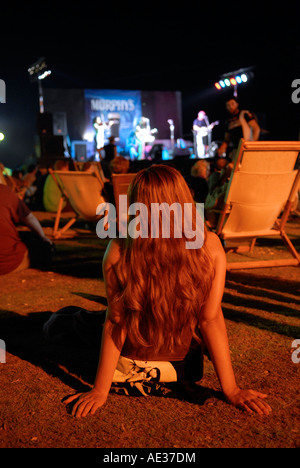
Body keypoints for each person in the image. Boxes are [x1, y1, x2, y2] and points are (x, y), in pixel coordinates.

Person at [61, 164, 271, 418]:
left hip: (131, 356)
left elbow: (117, 320)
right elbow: (210, 318)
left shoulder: (118, 248)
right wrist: (231, 389)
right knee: (80, 319)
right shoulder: (210, 245)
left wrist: (100, 390)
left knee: (65, 323)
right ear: (184, 197)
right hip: (184, 366)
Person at [0, 184, 53, 275]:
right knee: (46, 247)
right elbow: (28, 218)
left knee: (25, 235)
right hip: (7, 262)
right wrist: (43, 237)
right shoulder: (4, 191)